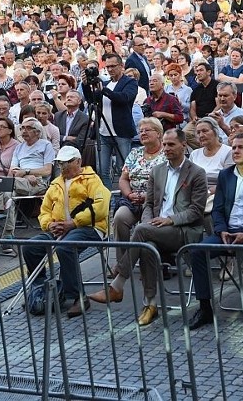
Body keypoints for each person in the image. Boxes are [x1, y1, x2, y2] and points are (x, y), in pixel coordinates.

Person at [88, 129, 208, 327]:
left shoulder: (196, 173)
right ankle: (150, 305)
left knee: (142, 232)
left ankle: (117, 284)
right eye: (166, 144)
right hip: (155, 227)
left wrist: (170, 220)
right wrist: (149, 222)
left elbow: (196, 211)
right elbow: (149, 204)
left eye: (171, 145)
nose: (167, 149)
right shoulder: (158, 170)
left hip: (183, 229)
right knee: (147, 243)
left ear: (183, 146)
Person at [187, 133, 243, 329]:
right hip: (228, 232)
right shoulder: (226, 175)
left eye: (241, 147)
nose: (235, 151)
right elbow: (218, 208)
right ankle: (204, 307)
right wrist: (221, 231)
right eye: (234, 147)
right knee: (197, 251)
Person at [24, 146, 110, 318]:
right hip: (59, 228)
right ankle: (40, 290)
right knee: (30, 247)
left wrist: (74, 223)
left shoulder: (93, 180)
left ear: (78, 161)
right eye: (61, 163)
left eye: (68, 162)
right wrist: (49, 225)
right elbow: (45, 210)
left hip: (89, 227)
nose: (64, 166)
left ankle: (79, 296)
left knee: (65, 247)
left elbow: (101, 207)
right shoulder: (56, 183)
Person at [111, 118, 166, 270]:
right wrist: (129, 194)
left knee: (144, 227)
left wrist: (147, 197)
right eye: (141, 131)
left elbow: (168, 183)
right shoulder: (135, 153)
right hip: (132, 199)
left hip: (156, 201)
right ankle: (122, 263)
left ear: (159, 133)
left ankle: (146, 264)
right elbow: (123, 179)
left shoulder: (166, 154)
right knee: (119, 218)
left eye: (147, 130)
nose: (143, 133)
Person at [93, 53, 137, 189]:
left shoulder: (130, 82)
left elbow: (124, 98)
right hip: (103, 132)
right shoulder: (105, 83)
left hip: (121, 132)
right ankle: (109, 200)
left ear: (121, 66)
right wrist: (86, 85)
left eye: (113, 66)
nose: (110, 69)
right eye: (107, 67)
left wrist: (104, 90)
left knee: (123, 168)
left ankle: (123, 198)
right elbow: (92, 100)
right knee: (102, 170)